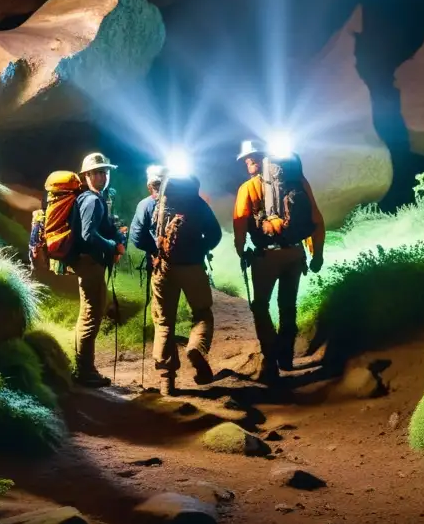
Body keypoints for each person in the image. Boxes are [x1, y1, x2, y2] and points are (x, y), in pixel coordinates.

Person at [233, 139, 325, 383]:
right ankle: (286, 357)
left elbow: (240, 222)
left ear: (260, 159)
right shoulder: (298, 182)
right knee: (288, 305)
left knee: (260, 306)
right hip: (295, 254)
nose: (247, 161)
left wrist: (241, 249)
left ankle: (270, 360)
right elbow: (317, 219)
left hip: (266, 257)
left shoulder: (248, 188)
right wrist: (318, 254)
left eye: (249, 158)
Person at [130, 164, 222, 396]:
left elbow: (136, 237)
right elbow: (215, 234)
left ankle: (166, 381)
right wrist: (200, 249)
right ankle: (195, 348)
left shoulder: (146, 205)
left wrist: (155, 251)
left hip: (163, 268)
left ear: (151, 184)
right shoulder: (195, 202)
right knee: (202, 313)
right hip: (193, 267)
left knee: (164, 321)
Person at [68, 152, 127, 388]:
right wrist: (112, 245)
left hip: (90, 263)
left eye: (105, 172)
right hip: (89, 263)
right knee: (91, 315)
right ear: (87, 176)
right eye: (97, 172)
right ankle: (85, 371)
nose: (103, 176)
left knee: (89, 313)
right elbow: (87, 235)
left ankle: (83, 368)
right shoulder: (91, 200)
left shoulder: (93, 198)